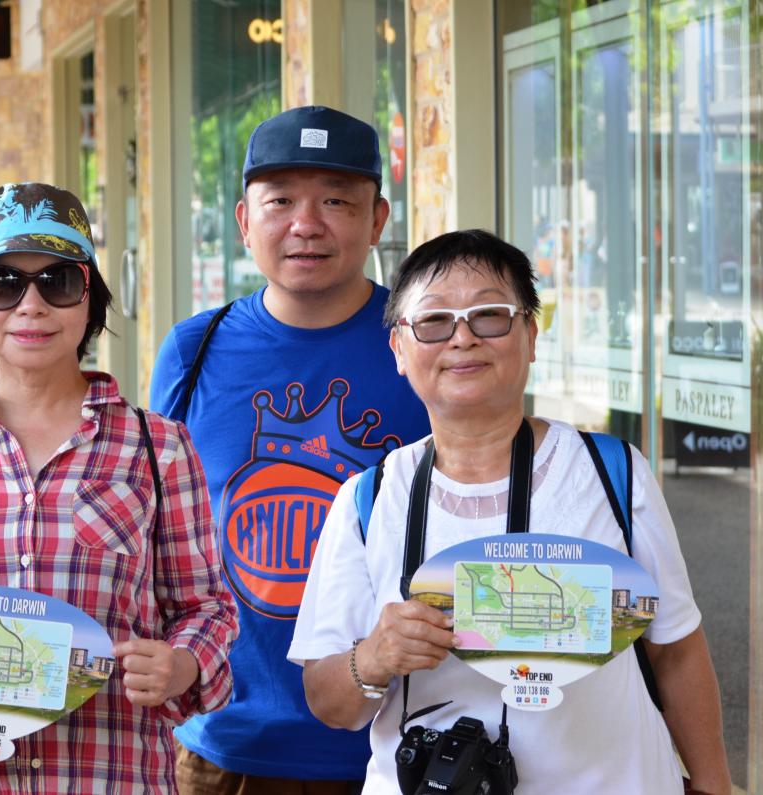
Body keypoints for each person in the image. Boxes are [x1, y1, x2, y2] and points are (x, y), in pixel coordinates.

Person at [290, 229, 732, 794]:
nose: (462, 338)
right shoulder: (369, 499)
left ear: (530, 333)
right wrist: (374, 658)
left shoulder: (610, 473)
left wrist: (714, 782)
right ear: (399, 350)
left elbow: (675, 649)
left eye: (490, 315)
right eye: (433, 321)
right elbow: (328, 702)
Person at [0, 182, 238, 792]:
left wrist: (182, 663)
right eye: (2, 283)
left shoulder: (157, 447)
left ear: (91, 300)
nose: (30, 305)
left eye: (58, 281)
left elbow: (206, 608)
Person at [151, 105, 430, 792]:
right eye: (280, 201)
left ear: (377, 220)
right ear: (245, 220)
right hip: (223, 739)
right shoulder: (195, 348)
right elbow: (154, 527)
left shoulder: (427, 347)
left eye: (336, 199)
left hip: (391, 741)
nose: (306, 223)